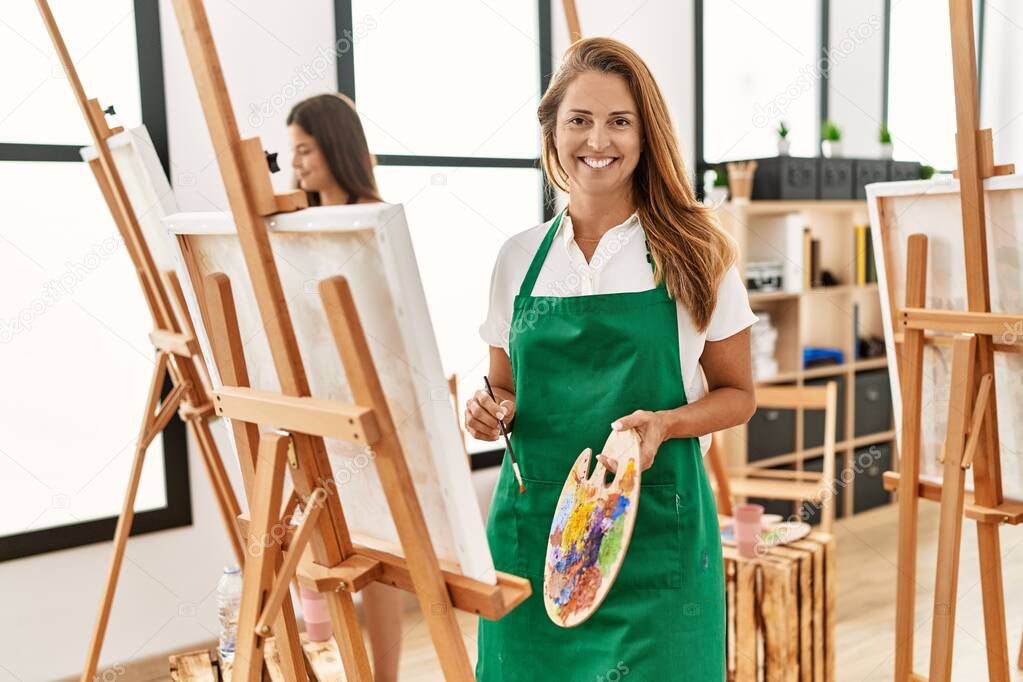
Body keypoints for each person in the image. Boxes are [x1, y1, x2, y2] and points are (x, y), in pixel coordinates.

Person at [466, 38, 758, 680]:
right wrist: (489, 410)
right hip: (535, 536)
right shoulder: (518, 258)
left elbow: (738, 394)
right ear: (553, 130)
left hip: (654, 531)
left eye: (619, 121)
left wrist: (666, 423)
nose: (598, 139)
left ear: (645, 133)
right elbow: (504, 388)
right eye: (580, 120)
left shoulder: (696, 252)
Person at [287, 93, 402, 682]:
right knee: (323, 549)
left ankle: (384, 676)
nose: (296, 164)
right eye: (291, 152)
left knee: (379, 557)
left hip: (371, 410)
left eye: (304, 150)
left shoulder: (372, 222)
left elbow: (393, 326)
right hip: (317, 407)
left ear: (335, 147)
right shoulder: (294, 228)